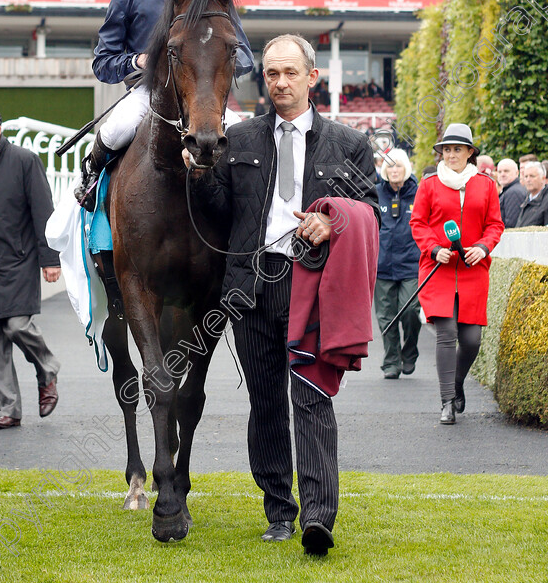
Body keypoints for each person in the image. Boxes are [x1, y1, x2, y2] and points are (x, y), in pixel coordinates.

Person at [186, 34, 380, 556]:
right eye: (271, 73)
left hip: (312, 287)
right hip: (251, 290)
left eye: (290, 72)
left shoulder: (349, 143)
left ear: (313, 77)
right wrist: (201, 173)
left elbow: (371, 212)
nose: (280, 82)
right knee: (266, 403)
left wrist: (330, 218)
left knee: (312, 399)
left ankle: (318, 517)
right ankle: (279, 513)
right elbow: (220, 213)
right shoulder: (240, 138)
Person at [75, 0, 254, 209]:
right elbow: (103, 62)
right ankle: (89, 181)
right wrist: (137, 60)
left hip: (205, 95)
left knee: (247, 137)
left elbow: (244, 57)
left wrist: (214, 60)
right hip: (148, 93)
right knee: (116, 130)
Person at [410, 123, 504, 425]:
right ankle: (447, 401)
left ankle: (457, 382)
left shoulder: (486, 185)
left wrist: (483, 247)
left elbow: (495, 225)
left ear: (470, 153)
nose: (451, 154)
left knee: (472, 339)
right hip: (438, 269)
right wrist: (434, 248)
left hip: (473, 270)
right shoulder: (429, 184)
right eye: (447, 149)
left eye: (457, 149)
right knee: (447, 334)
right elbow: (418, 223)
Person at [0, 109, 62, 430]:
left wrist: (50, 259)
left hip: (18, 261)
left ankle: (47, 368)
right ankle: (9, 409)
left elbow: (44, 211)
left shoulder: (24, 161)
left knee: (17, 325)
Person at [374, 149, 421, 379]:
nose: (394, 170)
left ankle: (409, 352)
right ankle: (391, 361)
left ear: (406, 169)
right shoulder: (375, 193)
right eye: (390, 166)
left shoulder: (419, 193)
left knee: (411, 311)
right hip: (382, 265)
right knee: (386, 316)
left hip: (411, 264)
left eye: (398, 166)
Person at [515, 161, 548, 227]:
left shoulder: (546, 201)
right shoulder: (526, 199)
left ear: (543, 179)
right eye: (526, 176)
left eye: (532, 176)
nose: (528, 180)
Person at [497, 158, 527, 228]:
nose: (502, 174)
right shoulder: (510, 190)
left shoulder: (513, 193)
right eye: (499, 172)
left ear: (517, 173)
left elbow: (511, 224)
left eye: (506, 171)